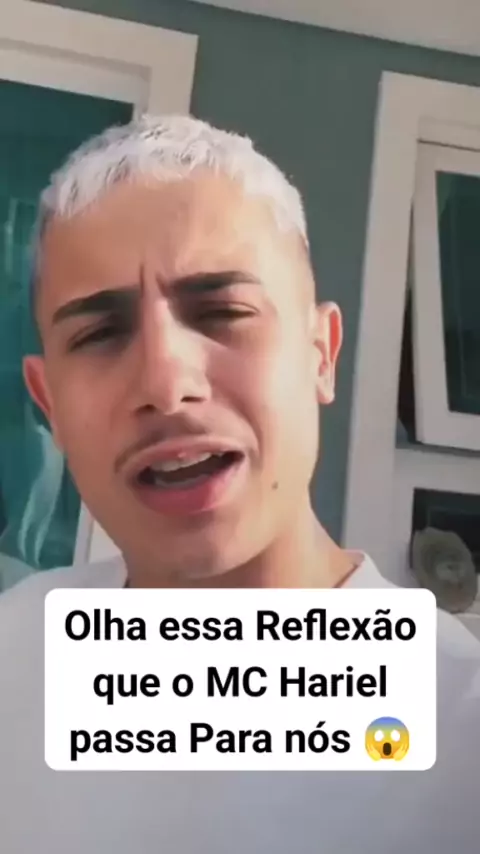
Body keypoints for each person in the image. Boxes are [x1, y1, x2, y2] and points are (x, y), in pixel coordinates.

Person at [0, 114, 479, 853]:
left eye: (223, 312)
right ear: (49, 405)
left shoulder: (460, 735)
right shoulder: (17, 648)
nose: (166, 384)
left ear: (321, 356)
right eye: (98, 334)